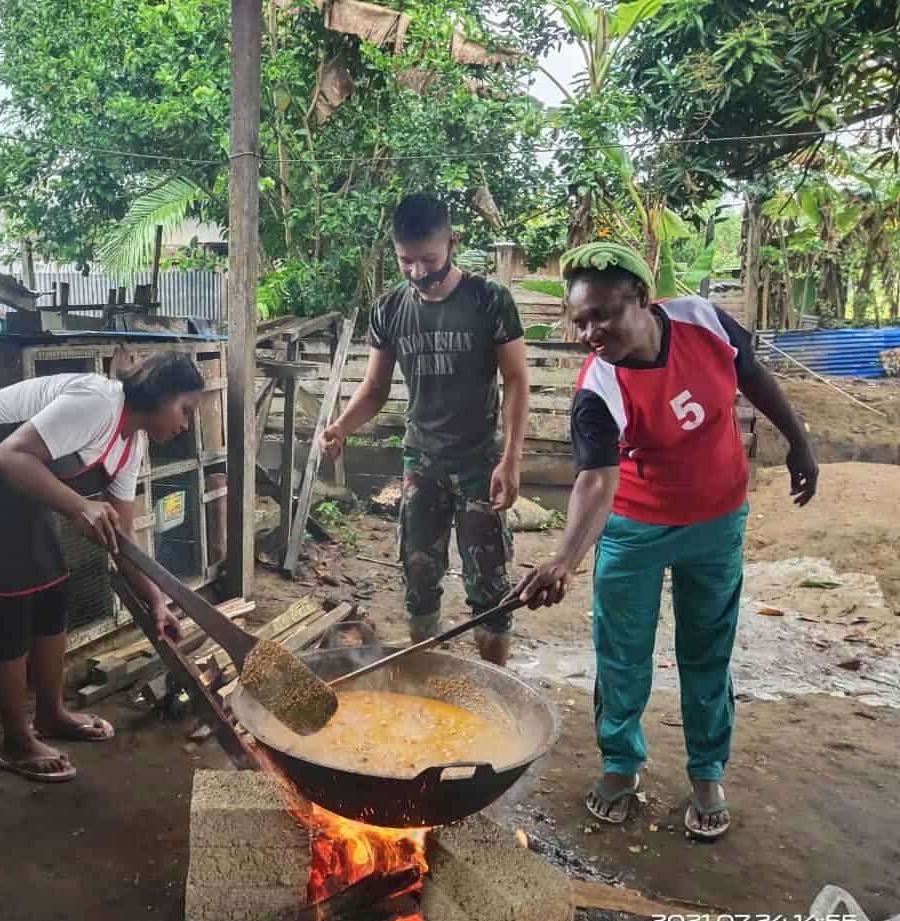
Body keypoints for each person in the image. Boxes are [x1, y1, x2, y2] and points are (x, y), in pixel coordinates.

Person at [517, 242, 818, 840]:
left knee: (707, 650)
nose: (590, 333)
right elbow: (597, 478)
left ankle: (707, 772)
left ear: (642, 300)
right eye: (579, 322)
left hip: (717, 520)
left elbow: (753, 377)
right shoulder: (597, 389)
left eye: (602, 315)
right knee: (621, 652)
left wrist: (798, 442)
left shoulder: (703, 320)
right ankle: (621, 764)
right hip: (636, 527)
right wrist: (564, 560)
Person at [0, 351, 203, 781]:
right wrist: (78, 506)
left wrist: (157, 603)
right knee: (10, 602)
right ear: (160, 394)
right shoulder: (99, 403)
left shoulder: (130, 446)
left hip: (7, 473)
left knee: (52, 590)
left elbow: (123, 542)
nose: (185, 424)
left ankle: (50, 715)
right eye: (185, 409)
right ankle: (15, 742)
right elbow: (9, 457)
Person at [320, 193, 530, 664]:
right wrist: (341, 426)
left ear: (453, 243)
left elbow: (516, 380)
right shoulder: (390, 308)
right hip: (422, 462)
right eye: (405, 261)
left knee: (490, 587)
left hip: (482, 462)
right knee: (418, 578)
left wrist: (512, 458)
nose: (418, 272)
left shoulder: (488, 299)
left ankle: (493, 691)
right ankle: (427, 679)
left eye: (428, 260)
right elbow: (375, 387)